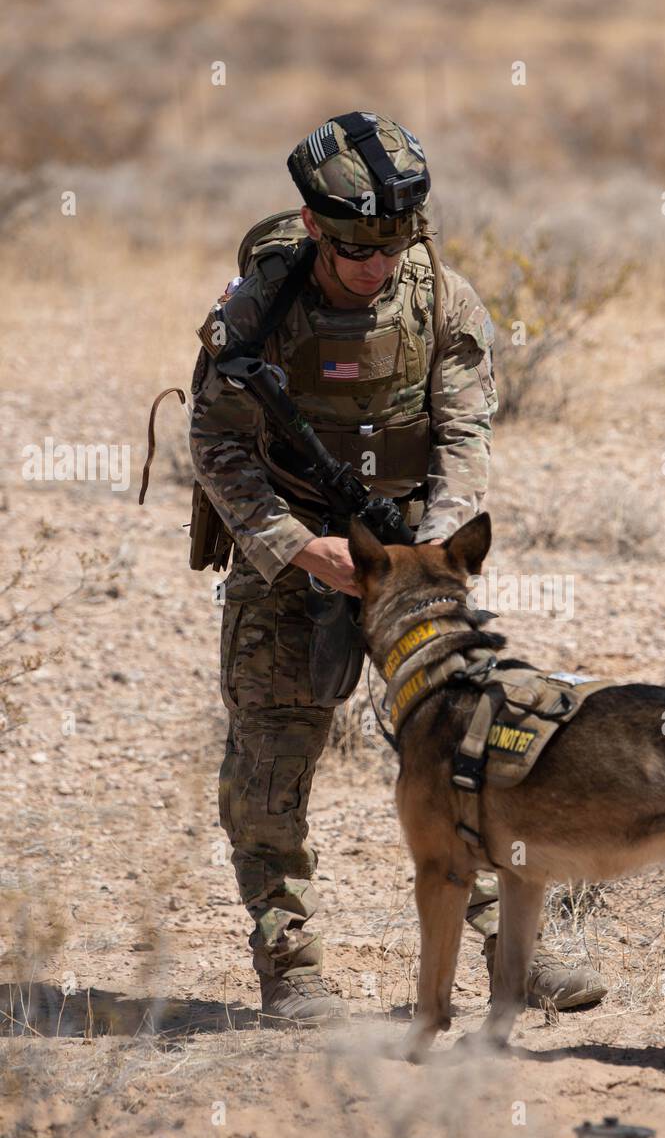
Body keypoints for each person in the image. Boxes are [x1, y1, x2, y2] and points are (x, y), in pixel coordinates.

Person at [188, 111, 607, 1023]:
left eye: (393, 246)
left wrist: (434, 550)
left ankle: (513, 954)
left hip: (408, 554)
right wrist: (298, 546)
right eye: (353, 252)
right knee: (270, 759)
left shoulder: (440, 300)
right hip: (289, 550)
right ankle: (290, 965)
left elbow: (465, 432)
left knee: (471, 751)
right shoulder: (256, 310)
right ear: (312, 229)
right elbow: (213, 445)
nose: (375, 267)